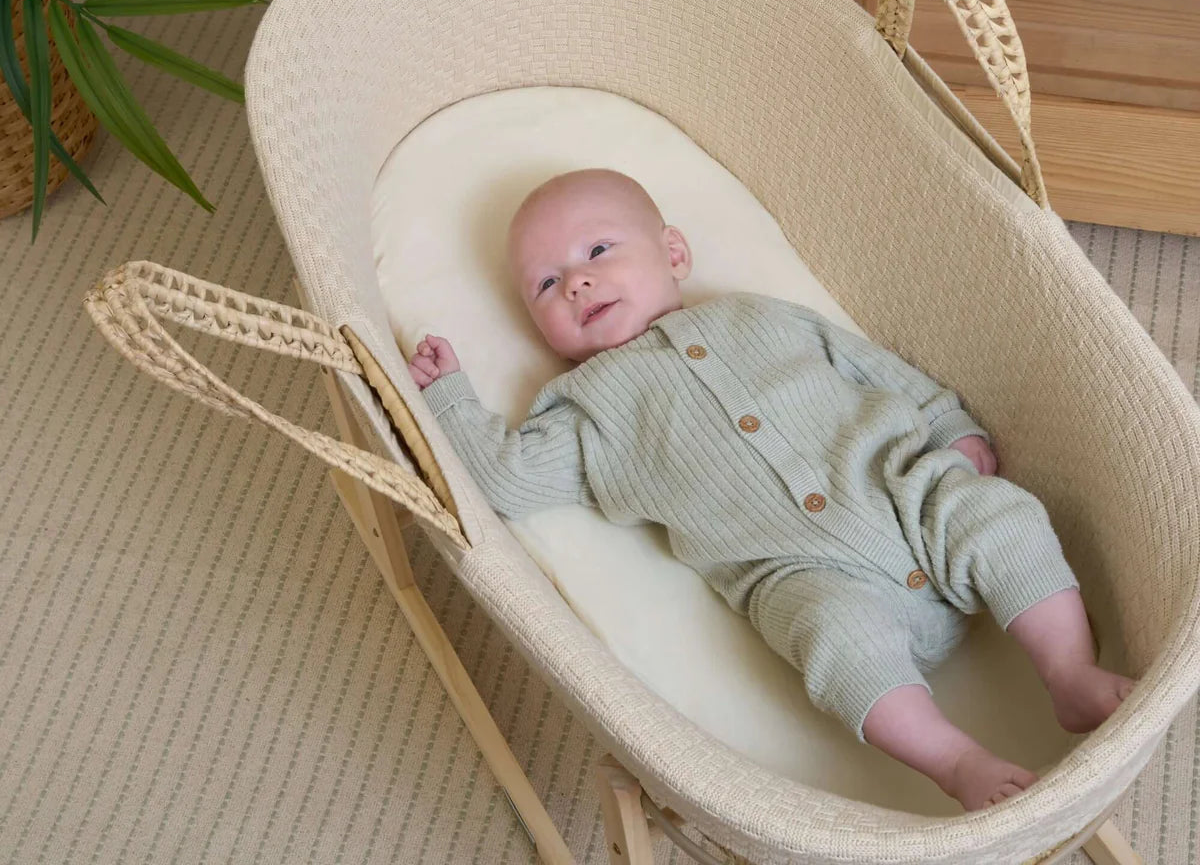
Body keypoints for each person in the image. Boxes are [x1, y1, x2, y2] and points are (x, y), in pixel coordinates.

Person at [407, 168, 1133, 810]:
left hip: (902, 490)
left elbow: (868, 365)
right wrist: (450, 400)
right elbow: (504, 479)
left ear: (673, 253)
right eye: (546, 283)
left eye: (597, 250)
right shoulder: (586, 409)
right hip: (806, 575)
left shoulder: (753, 313)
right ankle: (956, 762)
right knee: (836, 641)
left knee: (999, 515)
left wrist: (948, 425)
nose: (577, 282)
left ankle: (1068, 671)